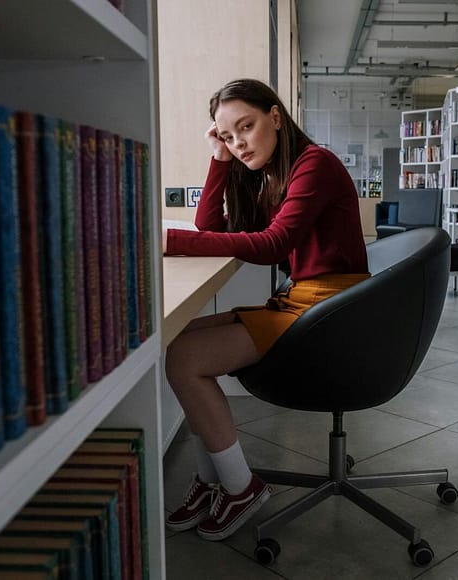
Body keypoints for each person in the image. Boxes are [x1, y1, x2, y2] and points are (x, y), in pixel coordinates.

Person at [162, 78, 369, 541]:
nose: (238, 143)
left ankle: (240, 487)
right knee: (176, 338)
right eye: (228, 136)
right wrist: (218, 161)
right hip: (306, 300)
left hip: (331, 310)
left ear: (276, 116)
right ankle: (214, 479)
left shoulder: (314, 164)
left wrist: (169, 241)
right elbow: (210, 225)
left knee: (183, 358)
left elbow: (272, 243)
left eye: (247, 127)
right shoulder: (274, 173)